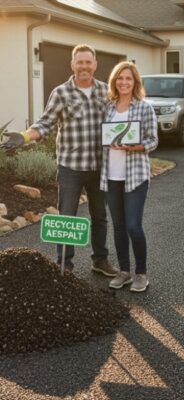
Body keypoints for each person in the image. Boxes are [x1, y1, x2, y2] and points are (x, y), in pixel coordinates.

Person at [0, 44, 117, 276]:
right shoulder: (61, 92)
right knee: (66, 218)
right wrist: (24, 136)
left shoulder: (106, 91)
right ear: (72, 65)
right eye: (80, 62)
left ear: (95, 65)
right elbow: (45, 124)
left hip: (99, 166)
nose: (84, 66)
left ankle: (100, 261)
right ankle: (65, 266)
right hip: (71, 168)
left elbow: (117, 123)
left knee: (100, 217)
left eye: (88, 62)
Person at [101, 61, 158, 292]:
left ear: (135, 83)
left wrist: (135, 147)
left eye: (128, 79)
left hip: (135, 176)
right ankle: (124, 271)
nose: (124, 82)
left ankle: (141, 273)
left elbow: (153, 140)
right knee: (118, 226)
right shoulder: (108, 108)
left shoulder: (144, 108)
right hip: (111, 176)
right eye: (120, 78)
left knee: (134, 226)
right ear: (115, 82)